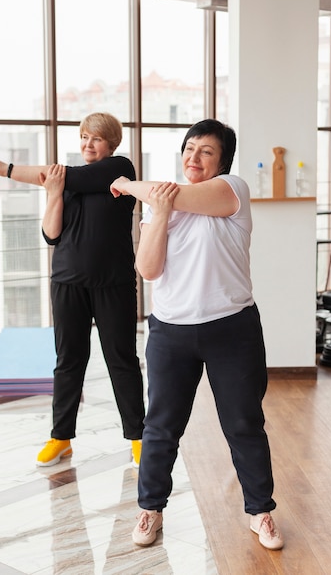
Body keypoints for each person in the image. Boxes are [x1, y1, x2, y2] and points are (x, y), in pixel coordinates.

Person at [110, 118, 284, 551]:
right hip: (171, 332)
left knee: (244, 424)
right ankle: (150, 510)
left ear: (223, 161)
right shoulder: (162, 205)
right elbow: (148, 270)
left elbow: (167, 193)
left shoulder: (233, 190)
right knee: (161, 427)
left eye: (206, 151)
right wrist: (161, 209)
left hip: (232, 328)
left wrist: (126, 184)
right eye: (189, 149)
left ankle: (260, 512)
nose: (194, 158)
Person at [0, 112, 145, 468]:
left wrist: (6, 169)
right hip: (68, 280)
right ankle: (61, 438)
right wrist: (54, 194)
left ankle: (138, 438)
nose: (88, 144)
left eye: (96, 138)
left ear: (111, 143)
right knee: (68, 361)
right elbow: (51, 235)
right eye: (84, 137)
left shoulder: (120, 169)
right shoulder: (65, 181)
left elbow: (65, 176)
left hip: (112, 283)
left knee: (122, 360)